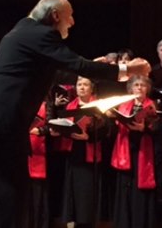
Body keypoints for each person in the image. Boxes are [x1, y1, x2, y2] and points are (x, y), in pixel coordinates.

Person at [0, 0, 150, 228]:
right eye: (69, 17)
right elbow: (75, 64)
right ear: (55, 15)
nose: (72, 22)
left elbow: (56, 70)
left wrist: (91, 66)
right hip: (0, 123)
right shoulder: (43, 34)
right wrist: (128, 70)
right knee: (10, 195)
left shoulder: (23, 28)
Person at [110, 75, 159, 228]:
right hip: (126, 147)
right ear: (130, 88)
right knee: (125, 186)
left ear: (147, 89)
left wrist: (144, 128)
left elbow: (159, 129)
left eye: (142, 85)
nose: (139, 88)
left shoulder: (152, 106)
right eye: (136, 85)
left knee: (140, 188)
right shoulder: (124, 105)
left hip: (144, 150)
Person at [57, 77, 106, 228]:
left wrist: (88, 137)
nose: (82, 88)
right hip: (74, 153)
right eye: (79, 85)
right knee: (74, 190)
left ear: (91, 89)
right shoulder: (71, 106)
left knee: (87, 191)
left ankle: (87, 222)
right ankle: (74, 221)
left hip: (90, 154)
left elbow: (106, 131)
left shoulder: (98, 106)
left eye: (85, 85)